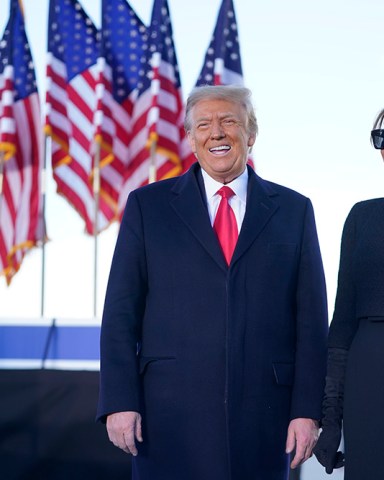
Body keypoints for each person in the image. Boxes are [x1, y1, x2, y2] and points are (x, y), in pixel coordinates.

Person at [96, 85, 328, 480]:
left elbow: (311, 321)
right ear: (190, 138)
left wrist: (307, 410)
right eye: (204, 124)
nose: (216, 133)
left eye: (229, 122)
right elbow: (121, 313)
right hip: (165, 419)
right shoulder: (147, 207)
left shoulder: (294, 210)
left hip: (264, 421)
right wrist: (118, 400)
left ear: (251, 135)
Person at [314, 110, 384, 479]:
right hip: (370, 371)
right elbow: (341, 327)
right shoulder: (363, 217)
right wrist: (330, 421)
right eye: (382, 137)